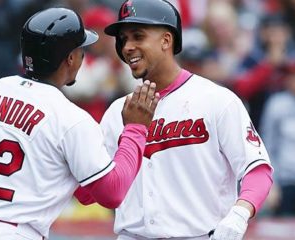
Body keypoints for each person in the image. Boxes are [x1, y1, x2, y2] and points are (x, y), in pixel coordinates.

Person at [0, 7, 159, 240]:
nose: (83, 55)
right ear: (70, 59)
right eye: (81, 49)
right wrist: (135, 130)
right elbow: (111, 193)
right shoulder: (71, 118)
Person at [74, 0, 273, 239]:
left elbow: (258, 169)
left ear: (166, 40)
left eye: (138, 36)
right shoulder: (118, 111)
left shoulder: (216, 100)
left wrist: (240, 212)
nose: (127, 47)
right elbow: (88, 193)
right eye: (124, 39)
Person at [260, 62, 295, 216]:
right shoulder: (277, 104)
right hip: (286, 181)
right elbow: (267, 146)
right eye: (291, 76)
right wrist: (272, 184)